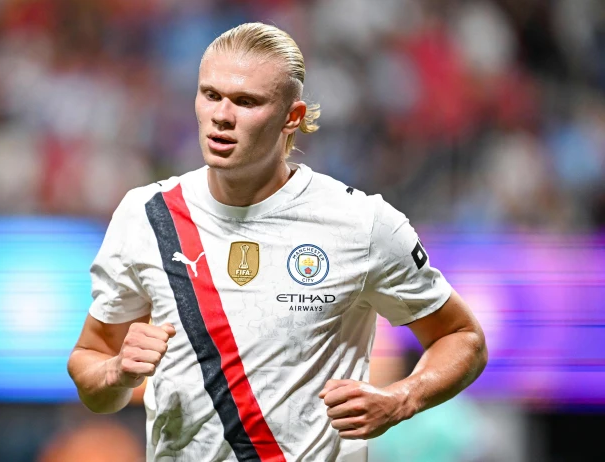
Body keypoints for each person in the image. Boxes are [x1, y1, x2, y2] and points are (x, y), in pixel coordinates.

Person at [67, 22, 488, 462]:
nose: (222, 115)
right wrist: (116, 372)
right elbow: (90, 364)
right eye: (210, 94)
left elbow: (463, 338)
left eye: (246, 101)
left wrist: (401, 399)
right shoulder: (146, 216)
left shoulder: (362, 224)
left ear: (293, 117)